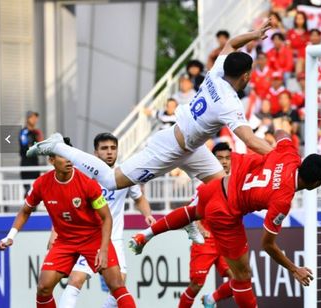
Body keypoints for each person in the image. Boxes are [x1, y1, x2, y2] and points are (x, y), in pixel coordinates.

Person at [26, 24, 276, 244]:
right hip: (169, 148)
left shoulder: (217, 71)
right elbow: (251, 140)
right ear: (246, 76)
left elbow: (231, 43)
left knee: (223, 186)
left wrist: (254, 35)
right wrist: (283, 155)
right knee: (112, 180)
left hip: (193, 148)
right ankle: (60, 146)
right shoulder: (229, 103)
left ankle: (189, 216)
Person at [129, 131, 321, 308]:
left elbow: (281, 133)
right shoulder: (283, 200)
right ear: (316, 183)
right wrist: (294, 269)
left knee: (194, 212)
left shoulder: (289, 155)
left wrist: (275, 154)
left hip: (218, 186)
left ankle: (144, 235)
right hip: (225, 213)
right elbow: (267, 245)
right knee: (243, 276)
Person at [0, 138, 136, 308]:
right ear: (51, 160)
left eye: (69, 155)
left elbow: (107, 217)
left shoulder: (87, 183)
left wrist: (104, 249)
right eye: (62, 155)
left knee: (116, 285)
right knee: (43, 287)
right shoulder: (42, 184)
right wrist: (10, 236)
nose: (69, 159)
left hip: (93, 238)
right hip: (65, 241)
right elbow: (25, 210)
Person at [55, 133, 155, 308]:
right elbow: (65, 208)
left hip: (113, 239)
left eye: (113, 148)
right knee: (76, 279)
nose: (109, 152)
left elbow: (139, 199)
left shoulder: (124, 175)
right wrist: (54, 232)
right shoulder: (83, 175)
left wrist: (147, 214)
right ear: (95, 153)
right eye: (104, 149)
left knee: (119, 286)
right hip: (88, 239)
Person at [179, 142, 234, 308]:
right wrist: (201, 229)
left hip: (225, 241)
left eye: (227, 158)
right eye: (220, 158)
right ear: (213, 161)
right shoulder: (205, 186)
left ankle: (212, 298)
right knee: (196, 284)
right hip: (206, 242)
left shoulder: (235, 184)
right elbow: (190, 211)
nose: (224, 162)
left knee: (240, 280)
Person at [19, 110, 44, 195]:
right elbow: (25, 148)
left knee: (36, 190)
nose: (35, 119)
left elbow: (42, 147)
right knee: (28, 190)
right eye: (32, 117)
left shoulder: (37, 132)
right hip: (26, 163)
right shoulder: (24, 132)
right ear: (28, 119)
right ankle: (27, 208)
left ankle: (34, 207)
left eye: (35, 117)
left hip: (35, 163)